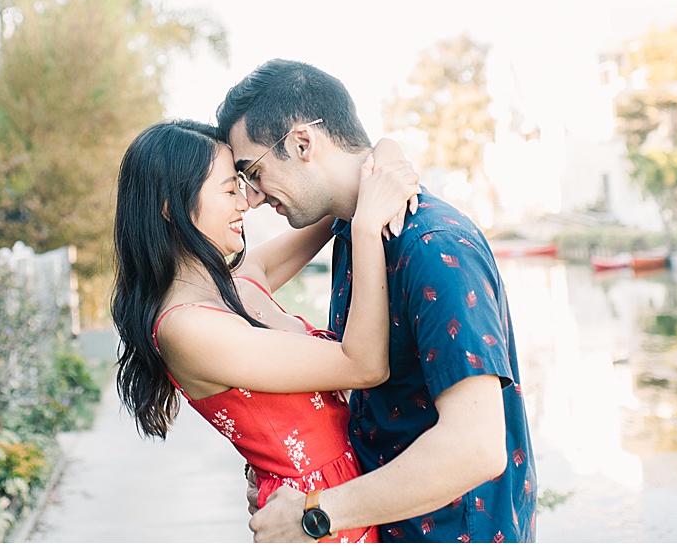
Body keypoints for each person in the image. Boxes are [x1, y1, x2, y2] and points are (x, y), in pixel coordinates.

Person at [216, 59, 537, 543]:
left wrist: (313, 513)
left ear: (303, 143)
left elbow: (476, 446)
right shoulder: (356, 231)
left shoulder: (432, 245)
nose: (255, 198)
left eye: (254, 172)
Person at [111, 119, 421, 543]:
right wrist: (367, 227)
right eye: (229, 188)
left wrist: (386, 151)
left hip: (346, 495)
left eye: (245, 184)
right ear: (172, 205)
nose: (247, 203)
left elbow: (332, 202)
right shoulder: (186, 327)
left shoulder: (239, 281)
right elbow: (363, 364)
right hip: (312, 519)